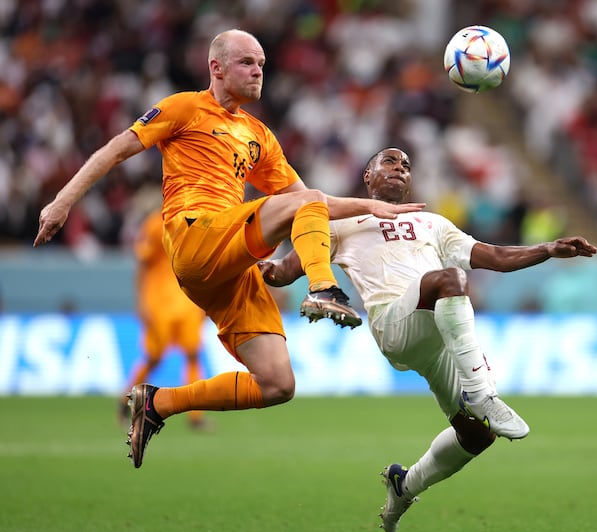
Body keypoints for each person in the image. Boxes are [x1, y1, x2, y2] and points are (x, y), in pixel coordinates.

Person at [33, 29, 423, 469]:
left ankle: (157, 404)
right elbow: (115, 150)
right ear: (216, 68)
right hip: (195, 235)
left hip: (229, 264)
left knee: (277, 384)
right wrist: (63, 201)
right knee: (305, 204)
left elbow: (311, 201)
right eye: (247, 63)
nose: (258, 71)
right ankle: (322, 289)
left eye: (261, 64)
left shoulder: (259, 135)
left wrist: (371, 206)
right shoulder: (184, 107)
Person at [260, 147, 597, 532]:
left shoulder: (433, 224)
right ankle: (480, 392)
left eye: (406, 165)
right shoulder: (341, 221)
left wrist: (548, 249)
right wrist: (250, 263)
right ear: (367, 176)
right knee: (448, 279)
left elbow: (495, 257)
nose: (400, 169)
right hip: (394, 324)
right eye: (390, 162)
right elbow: (285, 271)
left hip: (439, 336)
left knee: (477, 436)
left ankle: (405, 486)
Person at [116, 206, 209, 430]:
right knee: (154, 358)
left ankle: (196, 416)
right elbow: (143, 263)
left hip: (188, 302)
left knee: (193, 355)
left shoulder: (200, 221)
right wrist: (142, 303)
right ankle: (125, 401)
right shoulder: (156, 223)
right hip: (160, 304)